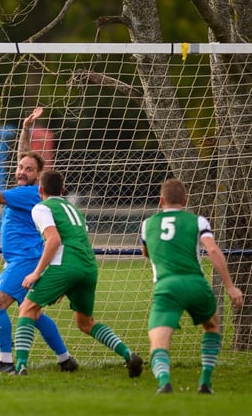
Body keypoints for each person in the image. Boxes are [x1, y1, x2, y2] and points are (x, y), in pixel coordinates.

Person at [0, 107, 75, 373]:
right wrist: (25, 128)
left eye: (28, 169)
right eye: (20, 167)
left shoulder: (29, 194)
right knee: (32, 311)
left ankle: (6, 361)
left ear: (38, 176)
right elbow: (25, 156)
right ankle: (65, 359)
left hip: (24, 260)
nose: (21, 170)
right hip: (25, 258)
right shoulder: (28, 187)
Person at [14, 169, 143, 376]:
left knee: (27, 308)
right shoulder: (72, 208)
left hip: (66, 263)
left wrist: (37, 272)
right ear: (63, 190)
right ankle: (128, 354)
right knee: (85, 322)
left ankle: (19, 366)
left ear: (40, 189)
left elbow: (54, 240)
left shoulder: (41, 208)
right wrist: (65, 286)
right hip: (88, 265)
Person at [140, 178, 243, 394]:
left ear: (161, 200)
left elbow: (146, 252)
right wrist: (230, 286)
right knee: (212, 325)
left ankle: (164, 382)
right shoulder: (198, 221)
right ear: (185, 201)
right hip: (196, 283)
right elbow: (213, 251)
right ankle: (205, 381)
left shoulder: (147, 225)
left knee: (158, 340)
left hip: (166, 287)